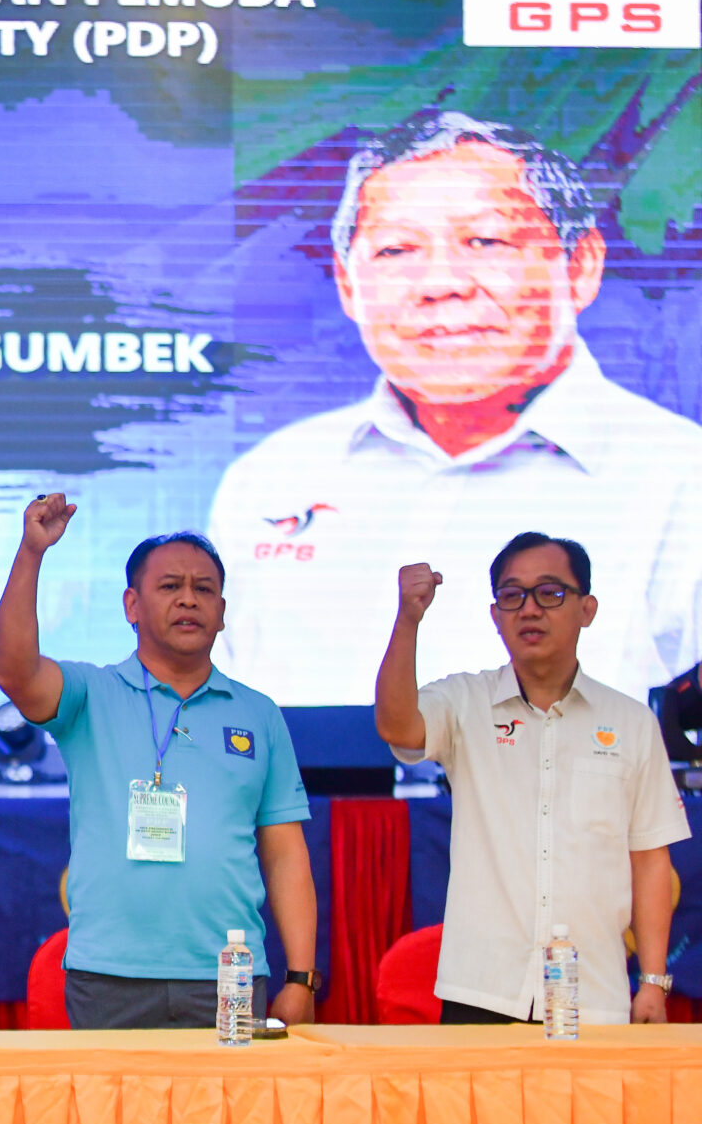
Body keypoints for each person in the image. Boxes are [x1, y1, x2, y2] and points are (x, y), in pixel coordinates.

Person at [210, 111, 702, 704]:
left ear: (581, 266)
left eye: (486, 241)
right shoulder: (270, 479)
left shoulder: (682, 480)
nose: (440, 283)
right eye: (396, 249)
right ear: (347, 284)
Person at [0, 495, 318, 1030]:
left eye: (204, 589)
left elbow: (285, 854)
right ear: (132, 606)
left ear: (222, 612)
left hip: (229, 975)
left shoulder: (258, 714)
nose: (188, 599)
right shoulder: (90, 694)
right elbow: (14, 671)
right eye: (170, 586)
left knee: (230, 1093)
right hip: (109, 976)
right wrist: (32, 553)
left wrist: (301, 978)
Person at [374, 532, 689, 1024]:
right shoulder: (465, 702)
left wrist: (652, 981)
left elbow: (649, 861)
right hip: (481, 990)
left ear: (587, 609)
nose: (529, 609)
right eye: (512, 595)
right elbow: (397, 726)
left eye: (549, 593)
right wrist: (407, 621)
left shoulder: (630, 722)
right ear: (495, 615)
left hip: (594, 993)